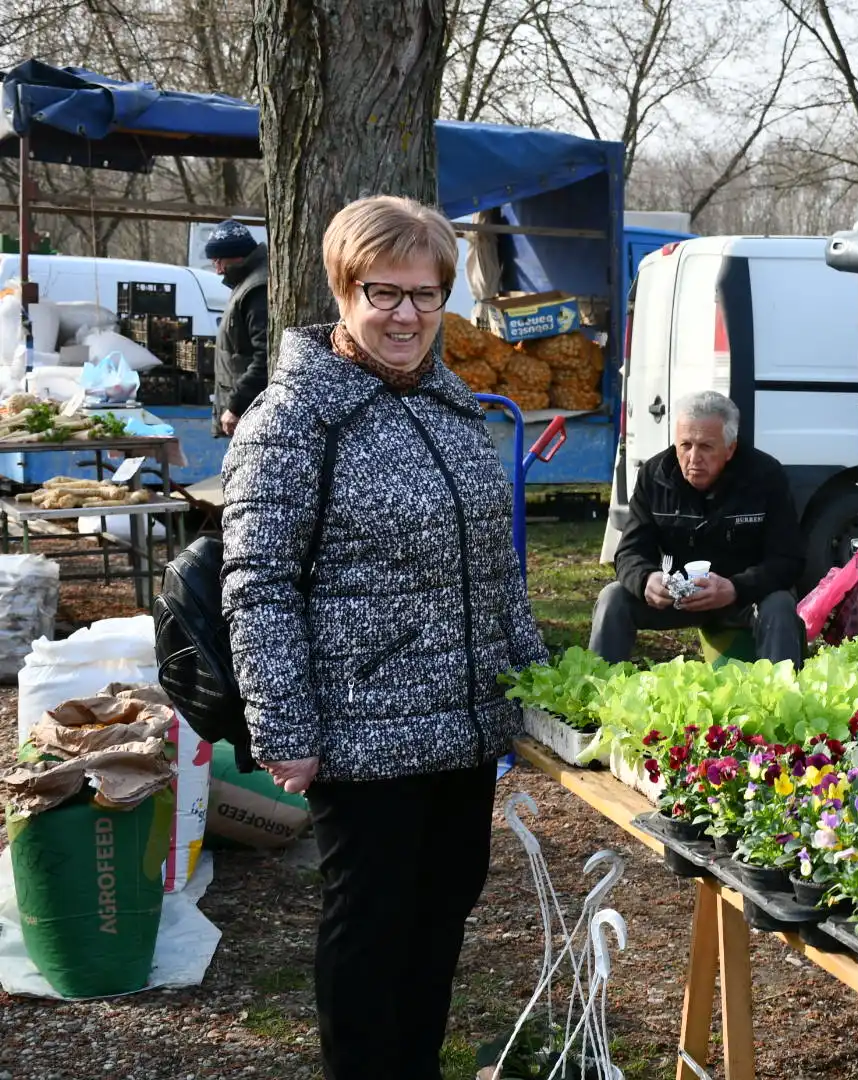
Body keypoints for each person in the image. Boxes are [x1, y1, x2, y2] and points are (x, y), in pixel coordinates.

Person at [220, 195, 547, 1080]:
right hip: (363, 730)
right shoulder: (292, 419)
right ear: (343, 289)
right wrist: (285, 727)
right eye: (384, 292)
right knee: (371, 931)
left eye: (426, 294)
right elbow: (259, 581)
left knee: (441, 918)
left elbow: (493, 566)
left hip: (464, 725)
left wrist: (540, 680)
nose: (406, 315)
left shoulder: (448, 406)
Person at [591, 391, 806, 665]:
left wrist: (735, 588)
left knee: (779, 604)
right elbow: (629, 552)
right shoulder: (653, 476)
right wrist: (646, 580)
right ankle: (594, 694)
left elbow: (789, 559)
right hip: (677, 597)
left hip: (743, 597)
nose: (693, 458)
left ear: (730, 449)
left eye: (706, 447)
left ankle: (783, 698)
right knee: (613, 597)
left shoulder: (766, 476)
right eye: (685, 445)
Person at [206, 218, 270, 437]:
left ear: (236, 255)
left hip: (250, 413)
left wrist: (236, 406)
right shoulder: (246, 282)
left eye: (217, 261)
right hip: (245, 409)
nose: (217, 270)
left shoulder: (257, 288)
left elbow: (266, 356)